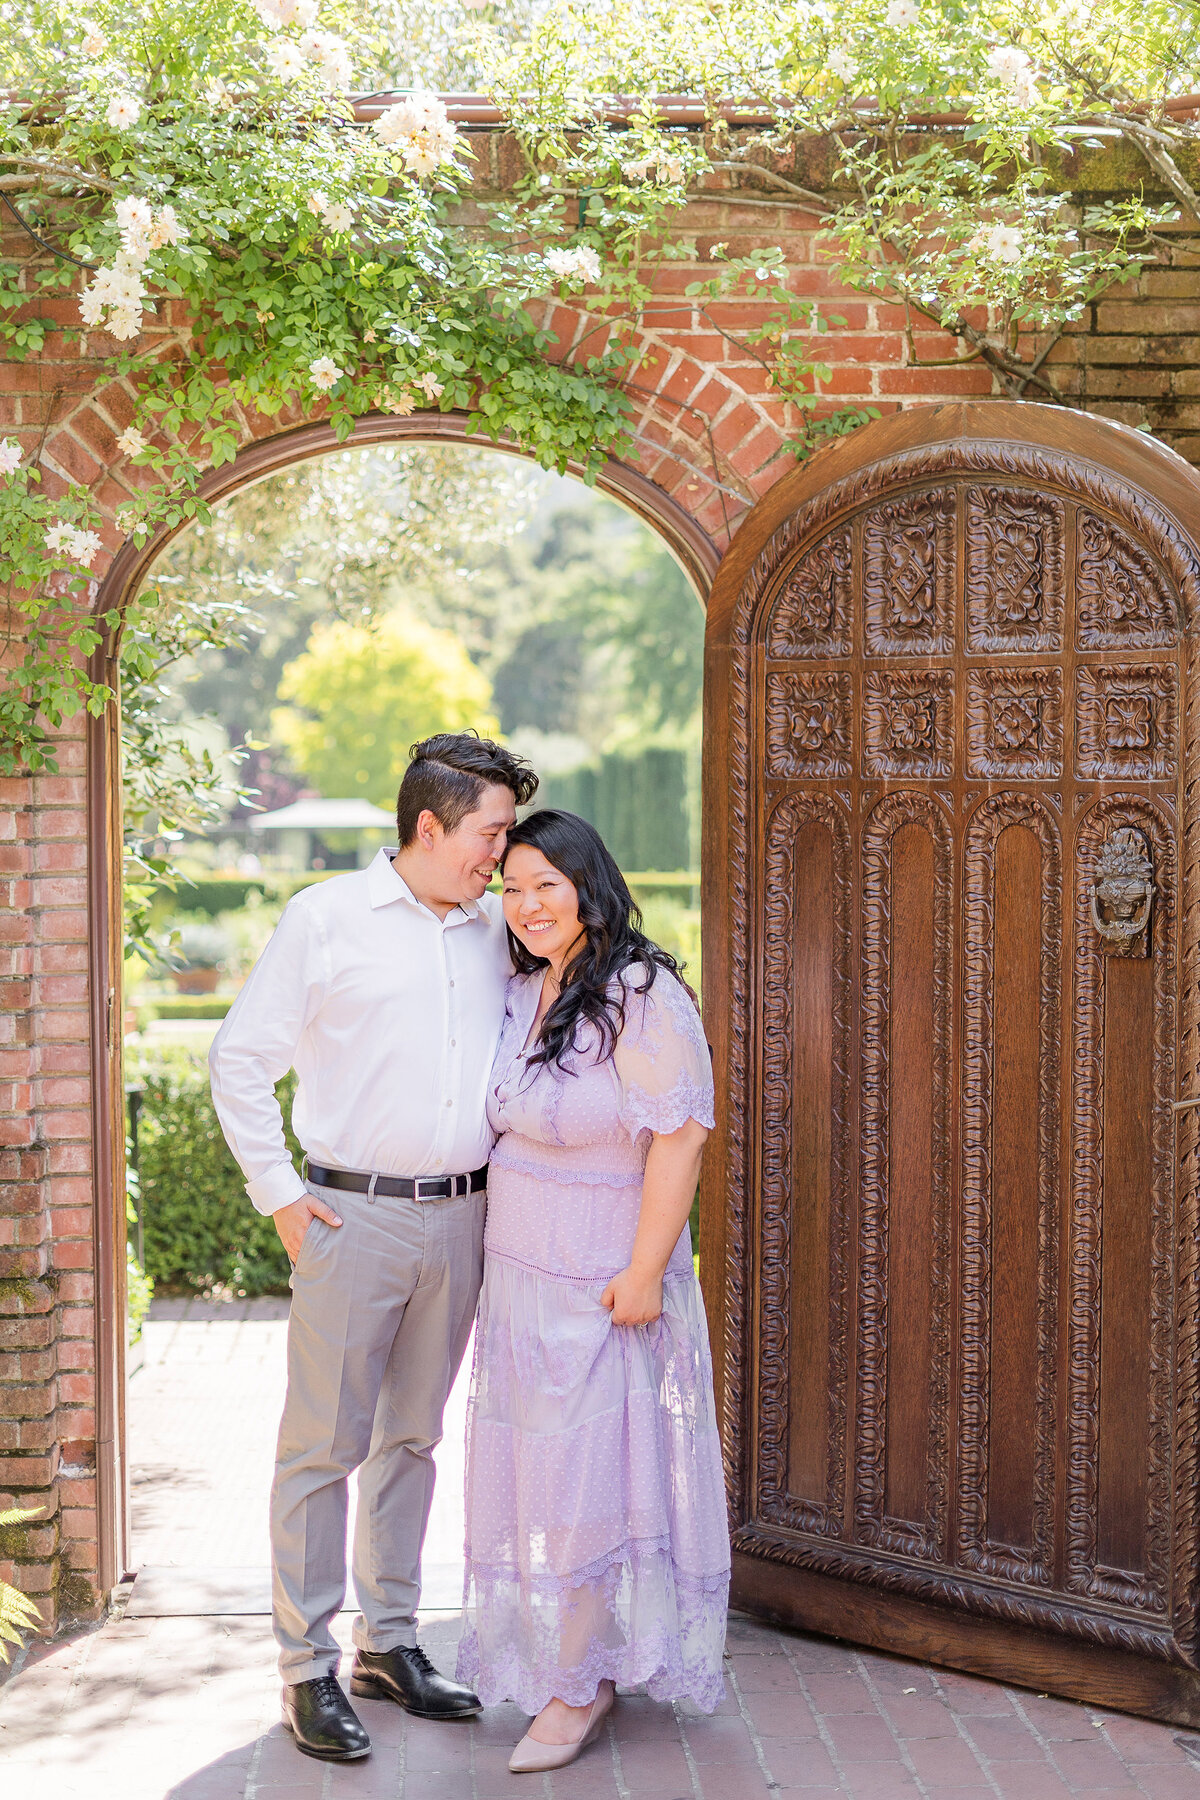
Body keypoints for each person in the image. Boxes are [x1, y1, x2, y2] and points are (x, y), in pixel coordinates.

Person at [208, 732, 538, 1764]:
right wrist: (282, 1199)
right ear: (430, 825)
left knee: (413, 1439)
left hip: (464, 1218)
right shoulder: (327, 920)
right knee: (322, 1448)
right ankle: (306, 1666)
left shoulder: (496, 933)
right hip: (352, 1220)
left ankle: (388, 1644)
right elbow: (239, 1061)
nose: (502, 851)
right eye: (491, 830)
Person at [457, 809, 730, 1774]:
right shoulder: (530, 987)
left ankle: (576, 1690)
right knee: (544, 1479)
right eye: (512, 886)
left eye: (547, 885)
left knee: (587, 1483)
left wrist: (648, 1270)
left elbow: (682, 1136)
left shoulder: (642, 990)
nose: (527, 905)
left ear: (588, 884)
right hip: (520, 1280)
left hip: (604, 1279)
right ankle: (582, 1663)